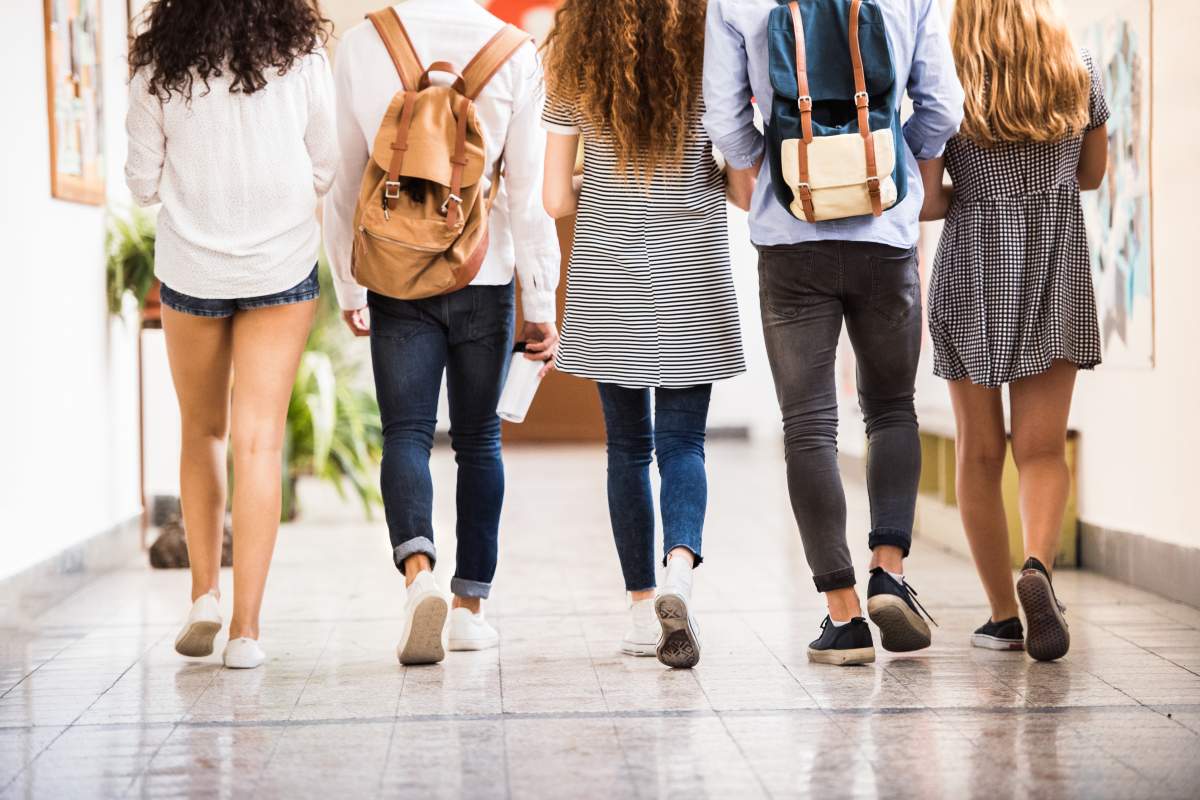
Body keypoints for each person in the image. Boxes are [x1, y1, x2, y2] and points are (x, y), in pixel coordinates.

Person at [704, 0, 963, 665]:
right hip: (885, 230)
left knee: (809, 426)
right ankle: (889, 570)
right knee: (890, 408)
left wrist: (781, 165)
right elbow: (943, 106)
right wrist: (888, 159)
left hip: (792, 236)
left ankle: (843, 615)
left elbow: (727, 124)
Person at [324, 0, 560, 665]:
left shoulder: (365, 43)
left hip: (396, 276)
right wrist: (540, 301)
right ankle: (467, 611)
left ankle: (417, 575)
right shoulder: (513, 52)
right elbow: (528, 200)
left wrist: (349, 283)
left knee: (405, 434)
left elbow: (345, 183)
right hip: (484, 276)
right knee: (479, 442)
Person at [125, 0, 338, 669]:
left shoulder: (159, 62)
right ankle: (246, 632)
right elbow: (327, 167)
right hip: (280, 263)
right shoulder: (301, 57)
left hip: (192, 268)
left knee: (202, 431)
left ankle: (203, 596)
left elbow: (139, 183)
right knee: (258, 440)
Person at [541, 0, 746, 669]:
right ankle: (680, 572)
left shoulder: (577, 57)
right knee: (683, 441)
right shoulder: (708, 48)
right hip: (692, 262)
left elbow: (554, 199)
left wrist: (595, 173)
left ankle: (639, 609)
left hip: (609, 268)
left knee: (626, 449)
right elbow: (743, 186)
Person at [921, 0, 1109, 662]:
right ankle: (1038, 569)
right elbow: (1090, 174)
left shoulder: (945, 75)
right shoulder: (1078, 67)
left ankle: (1003, 614)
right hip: (1054, 263)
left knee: (978, 451)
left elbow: (926, 199)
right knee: (1042, 448)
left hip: (971, 265)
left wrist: (975, 193)